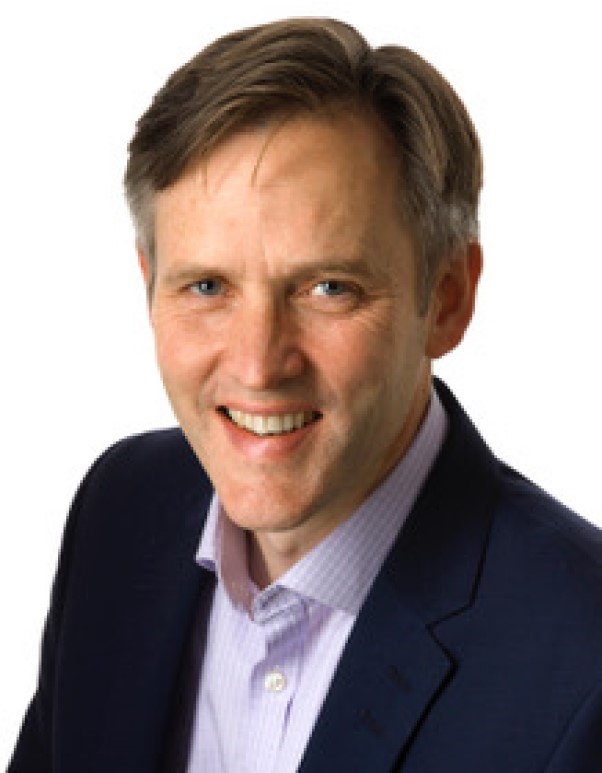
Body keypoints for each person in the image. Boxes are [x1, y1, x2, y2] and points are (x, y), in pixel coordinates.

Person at [8, 17, 602, 773]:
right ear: (148, 286)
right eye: (207, 286)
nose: (258, 363)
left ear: (447, 298)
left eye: (328, 287)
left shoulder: (583, 665)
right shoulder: (120, 514)